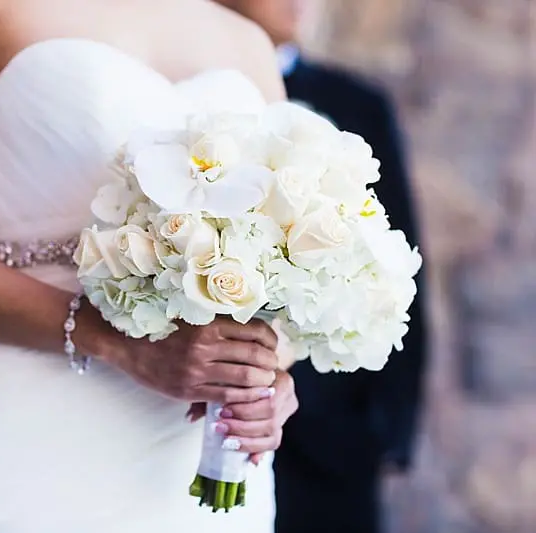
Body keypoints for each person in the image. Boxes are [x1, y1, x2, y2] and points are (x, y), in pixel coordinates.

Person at [0, 0, 300, 531]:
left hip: (193, 458)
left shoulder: (248, 41)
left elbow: (275, 262)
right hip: (26, 437)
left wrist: (270, 378)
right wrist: (117, 340)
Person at [217, 1, 428, 532]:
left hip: (332, 438)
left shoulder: (355, 103)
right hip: (209, 412)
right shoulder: (186, 93)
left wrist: (387, 431)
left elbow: (398, 261)